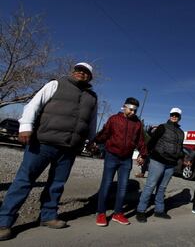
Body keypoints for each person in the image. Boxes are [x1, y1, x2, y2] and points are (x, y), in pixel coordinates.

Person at [0, 63, 97, 241]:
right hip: (43, 143)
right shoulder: (55, 84)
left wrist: (91, 140)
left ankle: (48, 216)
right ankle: (4, 222)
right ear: (73, 72)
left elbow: (91, 121)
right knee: (24, 180)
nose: (81, 74)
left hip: (68, 148)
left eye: (85, 72)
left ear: (90, 77)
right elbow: (33, 105)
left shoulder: (92, 97)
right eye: (78, 70)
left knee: (57, 183)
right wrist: (25, 127)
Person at [94, 97, 148, 227]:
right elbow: (105, 133)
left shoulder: (137, 124)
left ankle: (118, 213)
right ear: (124, 107)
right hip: (111, 156)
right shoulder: (114, 119)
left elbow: (140, 140)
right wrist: (95, 141)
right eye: (131, 109)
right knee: (106, 184)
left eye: (135, 110)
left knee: (123, 188)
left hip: (126, 159)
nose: (133, 113)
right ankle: (101, 212)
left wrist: (143, 154)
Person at [135, 108, 185, 223]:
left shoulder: (181, 132)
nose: (174, 117)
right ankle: (141, 211)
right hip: (158, 161)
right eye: (172, 114)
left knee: (162, 188)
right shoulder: (162, 127)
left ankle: (159, 210)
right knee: (150, 185)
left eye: (176, 115)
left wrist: (182, 158)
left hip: (171, 164)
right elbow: (152, 142)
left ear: (179, 117)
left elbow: (180, 148)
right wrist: (143, 155)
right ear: (169, 115)